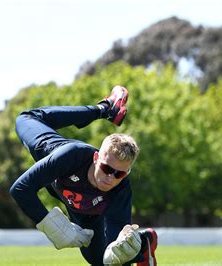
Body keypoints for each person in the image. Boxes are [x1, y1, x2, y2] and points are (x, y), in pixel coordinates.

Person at [10, 85, 158, 265]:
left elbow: (117, 247)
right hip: (54, 157)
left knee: (109, 259)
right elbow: (20, 189)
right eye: (107, 169)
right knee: (25, 118)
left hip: (87, 213)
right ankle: (105, 108)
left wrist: (123, 250)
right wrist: (50, 224)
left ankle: (144, 242)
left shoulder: (122, 189)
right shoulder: (70, 156)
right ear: (96, 158)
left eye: (119, 174)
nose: (111, 177)